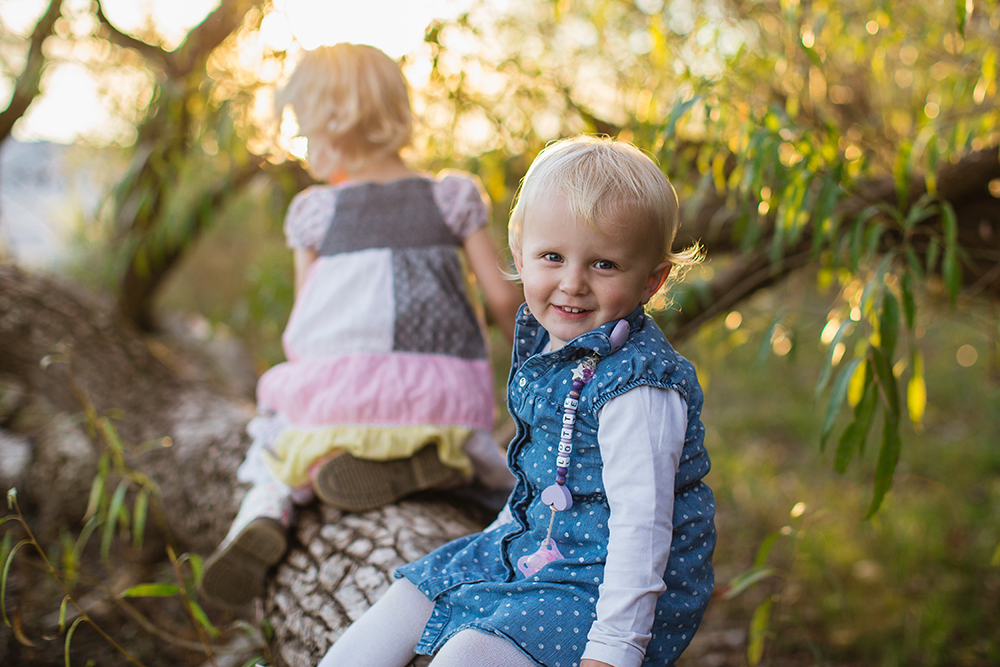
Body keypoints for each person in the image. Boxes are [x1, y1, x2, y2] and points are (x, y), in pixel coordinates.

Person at [315, 134, 716, 667]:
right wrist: (495, 545)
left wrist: (613, 652)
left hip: (602, 586)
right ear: (521, 256)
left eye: (604, 265)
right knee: (409, 595)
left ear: (652, 280)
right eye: (553, 256)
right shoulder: (552, 341)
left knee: (467, 654)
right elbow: (544, 469)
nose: (572, 284)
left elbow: (644, 532)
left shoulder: (639, 385)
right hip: (536, 543)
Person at [200, 43, 524, 608]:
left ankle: (267, 511)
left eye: (302, 130)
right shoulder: (451, 196)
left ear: (333, 124)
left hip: (340, 395)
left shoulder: (315, 211)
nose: (301, 145)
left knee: (281, 444)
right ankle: (441, 463)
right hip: (446, 394)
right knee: (468, 449)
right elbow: (503, 298)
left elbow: (305, 323)